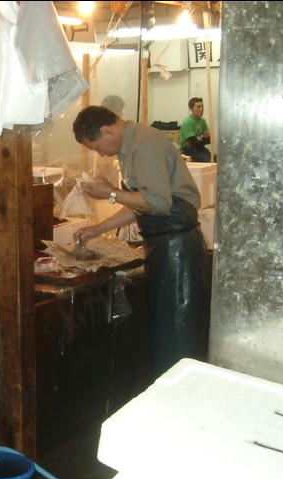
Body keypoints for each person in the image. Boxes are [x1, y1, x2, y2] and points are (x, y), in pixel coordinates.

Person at [72, 105, 210, 380]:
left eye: (96, 146)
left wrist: (109, 193)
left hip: (177, 251)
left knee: (177, 336)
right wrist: (97, 229)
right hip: (165, 248)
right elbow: (140, 203)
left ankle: (181, 403)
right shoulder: (130, 146)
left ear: (106, 130)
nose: (99, 153)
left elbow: (158, 203)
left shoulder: (142, 145)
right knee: (165, 332)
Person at [179, 97, 214, 162]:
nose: (201, 109)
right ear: (191, 108)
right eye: (198, 107)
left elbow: (209, 139)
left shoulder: (202, 121)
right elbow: (193, 142)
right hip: (188, 150)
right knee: (208, 161)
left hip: (199, 149)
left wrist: (199, 139)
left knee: (215, 159)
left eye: (202, 106)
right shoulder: (187, 122)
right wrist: (202, 138)